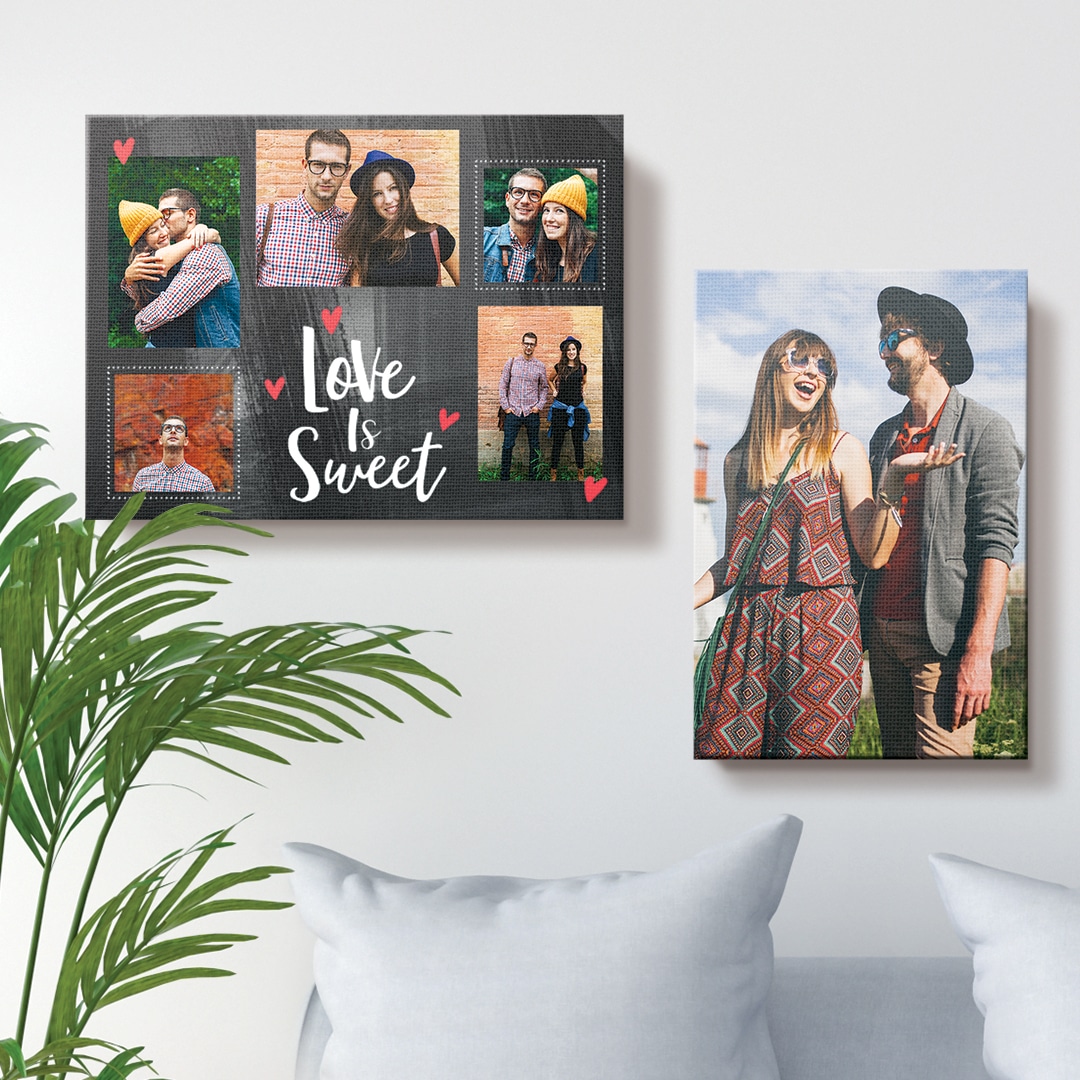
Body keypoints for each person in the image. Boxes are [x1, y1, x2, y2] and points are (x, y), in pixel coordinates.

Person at [693, 330, 960, 758]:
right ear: (772, 369)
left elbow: (873, 554)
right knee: (720, 755)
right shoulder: (736, 460)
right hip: (746, 628)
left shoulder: (841, 449)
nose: (813, 373)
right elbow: (735, 562)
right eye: (800, 360)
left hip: (821, 630)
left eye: (824, 368)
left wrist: (893, 479)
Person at [863, 288, 1024, 758]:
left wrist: (977, 655)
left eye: (896, 337)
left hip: (944, 641)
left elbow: (997, 544)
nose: (885, 351)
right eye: (881, 341)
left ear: (934, 348)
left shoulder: (986, 430)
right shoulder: (884, 437)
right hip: (883, 632)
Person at [123, 189, 240, 347]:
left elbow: (167, 308)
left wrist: (140, 321)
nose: (163, 220)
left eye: (167, 213)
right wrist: (129, 277)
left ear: (190, 215)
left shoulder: (204, 253)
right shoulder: (180, 253)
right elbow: (148, 290)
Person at [337, 150, 459, 286]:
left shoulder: (436, 236)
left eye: (393, 188)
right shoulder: (364, 243)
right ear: (369, 201)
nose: (388, 200)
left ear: (403, 188)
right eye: (377, 193)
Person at [256, 130, 351, 287]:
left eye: (337, 166)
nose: (327, 176)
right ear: (305, 166)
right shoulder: (264, 217)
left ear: (347, 171)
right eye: (318, 165)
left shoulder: (351, 229)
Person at [499, 332, 549, 480]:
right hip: (513, 411)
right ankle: (504, 478)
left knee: (534, 446)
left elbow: (544, 387)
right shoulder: (512, 362)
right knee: (508, 445)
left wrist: (539, 406)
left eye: (532, 344)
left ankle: (533, 478)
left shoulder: (540, 366)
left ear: (535, 346)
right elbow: (503, 384)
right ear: (522, 344)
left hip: (531, 412)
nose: (529, 346)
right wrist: (506, 406)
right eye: (526, 343)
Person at [483, 168, 547, 282]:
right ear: (507, 199)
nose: (525, 201)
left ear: (542, 204)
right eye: (518, 192)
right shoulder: (482, 239)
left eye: (534, 194)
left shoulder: (550, 253)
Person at [535, 173, 598, 283]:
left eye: (559, 211)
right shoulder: (548, 260)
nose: (549, 218)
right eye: (546, 210)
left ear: (574, 218)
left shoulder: (596, 256)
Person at [131, 416, 215, 493]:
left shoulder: (202, 482)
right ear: (160, 440)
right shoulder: (142, 477)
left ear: (186, 441)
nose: (173, 431)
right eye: (168, 428)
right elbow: (133, 509)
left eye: (179, 429)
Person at [547, 335, 591, 481]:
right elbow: (550, 379)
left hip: (577, 409)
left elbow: (584, 381)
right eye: (569, 350)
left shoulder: (582, 368)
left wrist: (583, 389)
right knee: (558, 442)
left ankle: (580, 474)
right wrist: (554, 390)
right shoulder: (559, 367)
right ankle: (553, 473)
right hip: (561, 409)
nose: (571, 352)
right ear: (565, 352)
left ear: (577, 351)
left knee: (577, 443)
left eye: (574, 349)